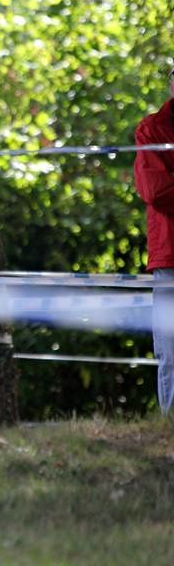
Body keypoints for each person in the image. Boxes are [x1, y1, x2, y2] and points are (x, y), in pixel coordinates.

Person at [134, 66, 174, 415]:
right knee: (172, 351)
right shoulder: (152, 129)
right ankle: (170, 425)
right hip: (171, 256)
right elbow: (156, 190)